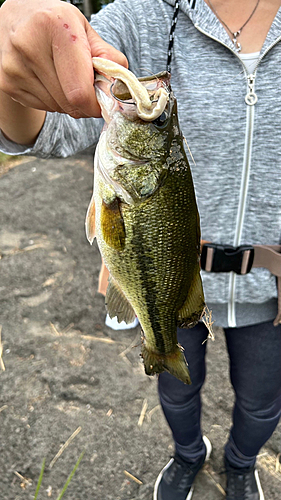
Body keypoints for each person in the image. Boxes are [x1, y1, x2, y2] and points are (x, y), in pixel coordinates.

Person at [1, 0, 281, 499]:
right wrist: (12, 71)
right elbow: (49, 129)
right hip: (168, 283)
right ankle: (188, 455)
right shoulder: (135, 20)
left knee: (262, 402)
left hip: (273, 290)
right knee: (176, 389)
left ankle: (240, 463)